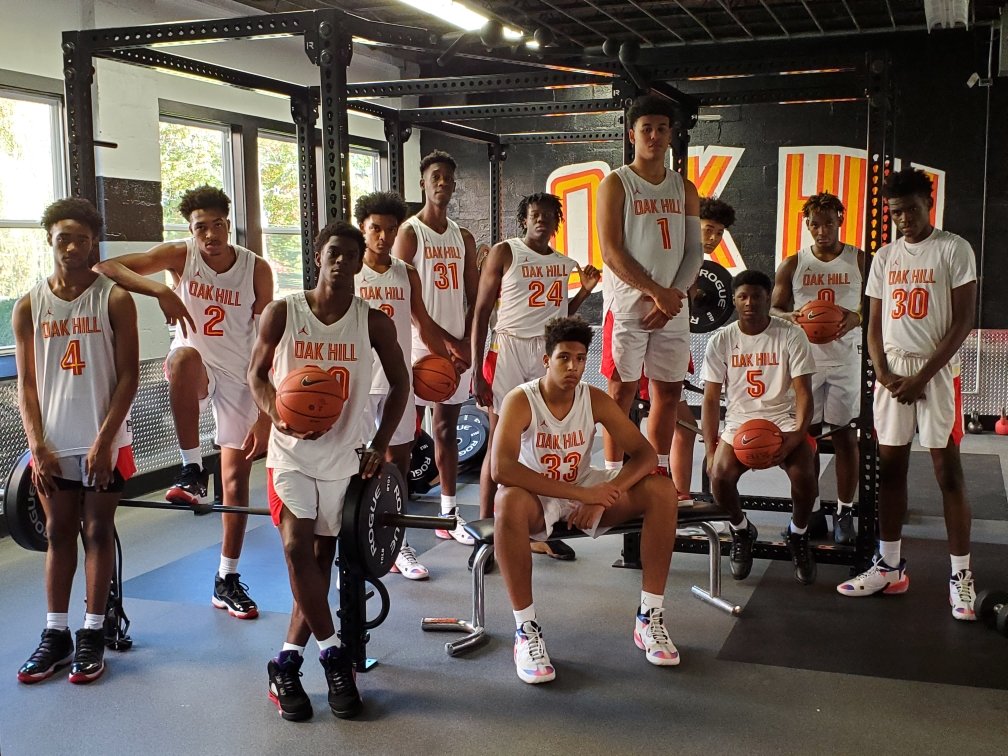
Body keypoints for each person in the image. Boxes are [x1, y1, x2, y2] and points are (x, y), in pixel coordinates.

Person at [248, 220, 409, 721]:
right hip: (290, 455)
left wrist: (380, 444)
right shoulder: (283, 312)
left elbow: (401, 385)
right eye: (333, 252)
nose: (341, 261)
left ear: (361, 263)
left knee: (319, 563)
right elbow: (256, 374)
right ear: (318, 256)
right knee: (296, 548)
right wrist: (277, 415)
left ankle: (285, 664)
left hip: (345, 458)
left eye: (350, 255)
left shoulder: (373, 322)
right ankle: (334, 655)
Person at [93, 186, 273, 620]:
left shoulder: (256, 268)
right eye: (200, 227)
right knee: (182, 357)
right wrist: (161, 291)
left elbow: (269, 341)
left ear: (228, 224)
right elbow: (106, 266)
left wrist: (267, 411)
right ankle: (191, 469)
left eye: (217, 225)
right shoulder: (180, 255)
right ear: (190, 230)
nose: (210, 234)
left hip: (241, 376)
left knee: (235, 483)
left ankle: (226, 578)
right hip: (196, 370)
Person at [493, 316, 681, 684]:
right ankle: (525, 630)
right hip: (539, 496)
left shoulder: (593, 399)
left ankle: (649, 617)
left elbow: (645, 455)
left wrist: (604, 497)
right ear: (546, 360)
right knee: (507, 501)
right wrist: (584, 495)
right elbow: (501, 469)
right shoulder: (521, 399)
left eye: (580, 359)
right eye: (564, 358)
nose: (573, 367)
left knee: (662, 490)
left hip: (584, 486)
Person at [837, 168, 978, 621]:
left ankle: (961, 575)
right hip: (893, 373)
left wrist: (922, 378)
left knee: (947, 472)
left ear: (928, 205)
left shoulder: (954, 249)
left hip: (936, 374)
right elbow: (874, 323)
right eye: (895, 213)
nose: (903, 219)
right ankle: (890, 566)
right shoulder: (884, 257)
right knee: (889, 470)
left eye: (911, 210)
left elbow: (963, 322)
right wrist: (881, 371)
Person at [15, 199, 138, 684]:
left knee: (98, 530)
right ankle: (56, 634)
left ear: (93, 243)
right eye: (63, 238)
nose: (71, 247)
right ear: (50, 239)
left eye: (81, 239)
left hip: (105, 439)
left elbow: (128, 376)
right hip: (53, 443)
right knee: (58, 533)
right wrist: (37, 444)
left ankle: (92, 631)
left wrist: (105, 441)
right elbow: (27, 384)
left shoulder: (114, 298)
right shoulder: (29, 305)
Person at [471, 193, 600, 564]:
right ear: (523, 220)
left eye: (548, 215)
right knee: (500, 441)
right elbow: (481, 311)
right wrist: (477, 369)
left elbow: (560, 314)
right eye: (535, 215)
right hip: (508, 348)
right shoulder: (505, 252)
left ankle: (541, 527)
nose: (542, 220)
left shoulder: (563, 263)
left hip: (545, 353)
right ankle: (486, 532)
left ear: (557, 223)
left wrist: (584, 292)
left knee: (545, 441)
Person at [596, 95, 703, 479]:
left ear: (671, 134)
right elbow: (611, 252)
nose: (654, 136)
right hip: (628, 305)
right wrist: (658, 292)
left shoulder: (684, 188)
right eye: (646, 129)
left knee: (668, 392)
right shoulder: (616, 184)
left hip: (672, 306)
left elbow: (694, 251)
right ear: (632, 135)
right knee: (620, 393)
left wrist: (672, 295)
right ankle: (612, 476)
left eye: (661, 129)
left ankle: (654, 474)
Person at [354, 190, 457, 580]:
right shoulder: (350, 273)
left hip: (399, 382)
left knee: (398, 465)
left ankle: (398, 544)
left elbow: (423, 324)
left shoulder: (405, 273)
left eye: (390, 229)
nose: (383, 237)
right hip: (360, 383)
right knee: (355, 466)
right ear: (362, 229)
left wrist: (447, 359)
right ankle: (354, 544)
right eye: (375, 229)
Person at [702, 270, 818, 585]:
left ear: (768, 298)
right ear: (734, 300)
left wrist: (796, 435)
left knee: (804, 473)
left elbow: (804, 394)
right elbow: (711, 399)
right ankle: (741, 531)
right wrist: (711, 450)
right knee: (719, 477)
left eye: (756, 296)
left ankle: (798, 533)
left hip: (782, 419)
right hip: (739, 422)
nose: (749, 302)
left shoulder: (791, 335)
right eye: (743, 296)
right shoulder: (721, 340)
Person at [392, 150, 478, 546]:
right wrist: (446, 345)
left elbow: (476, 298)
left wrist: (468, 344)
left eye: (447, 177)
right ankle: (396, 524)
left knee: (445, 430)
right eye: (435, 176)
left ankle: (448, 514)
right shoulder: (409, 233)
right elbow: (406, 300)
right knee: (404, 439)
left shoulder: (464, 237)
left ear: (454, 185)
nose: (442, 182)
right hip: (417, 350)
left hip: (456, 353)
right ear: (423, 183)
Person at [771, 192, 864, 545]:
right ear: (806, 225)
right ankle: (810, 512)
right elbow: (774, 308)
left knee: (845, 437)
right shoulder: (794, 263)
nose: (821, 231)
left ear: (840, 220)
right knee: (804, 438)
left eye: (828, 223)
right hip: (805, 362)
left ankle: (844, 512)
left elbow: (877, 302)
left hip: (845, 359)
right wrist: (791, 316)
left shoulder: (859, 259)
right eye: (814, 225)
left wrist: (857, 317)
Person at [670, 196, 737, 500]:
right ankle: (671, 495)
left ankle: (678, 496)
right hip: (651, 351)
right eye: (708, 229)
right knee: (680, 427)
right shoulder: (678, 256)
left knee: (681, 428)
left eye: (719, 233)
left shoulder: (695, 261)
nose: (713, 238)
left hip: (672, 349)